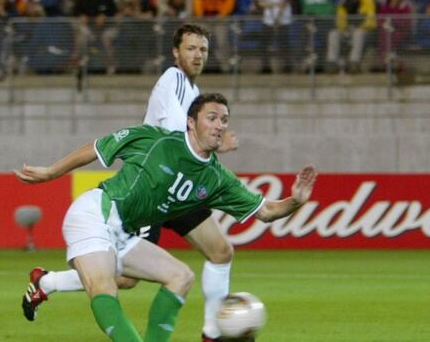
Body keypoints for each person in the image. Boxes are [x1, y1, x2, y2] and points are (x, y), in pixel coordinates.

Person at [16, 92, 317, 342]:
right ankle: (48, 283)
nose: (219, 126)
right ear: (191, 122)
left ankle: (46, 282)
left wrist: (296, 201)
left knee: (181, 276)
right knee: (105, 286)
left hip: (124, 232)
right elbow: (98, 147)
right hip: (95, 213)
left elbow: (266, 211)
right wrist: (51, 172)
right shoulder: (156, 140)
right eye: (211, 118)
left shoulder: (217, 178)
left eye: (224, 121)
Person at [21, 24, 248, 342]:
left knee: (221, 252)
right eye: (191, 48)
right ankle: (48, 283)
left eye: (203, 50)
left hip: (177, 187)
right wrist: (216, 145)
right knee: (125, 279)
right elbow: (174, 141)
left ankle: (212, 332)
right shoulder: (175, 81)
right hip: (151, 188)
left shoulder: (195, 94)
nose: (198, 55)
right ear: (176, 52)